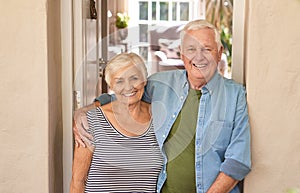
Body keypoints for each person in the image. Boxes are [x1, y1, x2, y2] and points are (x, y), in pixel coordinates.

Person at [73, 19, 251, 193]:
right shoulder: (161, 84)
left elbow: (238, 161)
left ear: (219, 53)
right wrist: (85, 111)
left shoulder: (235, 96)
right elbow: (127, 93)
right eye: (191, 49)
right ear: (182, 54)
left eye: (207, 49)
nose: (199, 56)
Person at [70, 53, 163, 193]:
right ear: (111, 85)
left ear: (144, 80)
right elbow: (78, 181)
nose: (128, 87)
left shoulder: (160, 118)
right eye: (119, 81)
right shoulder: (91, 121)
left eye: (134, 78)